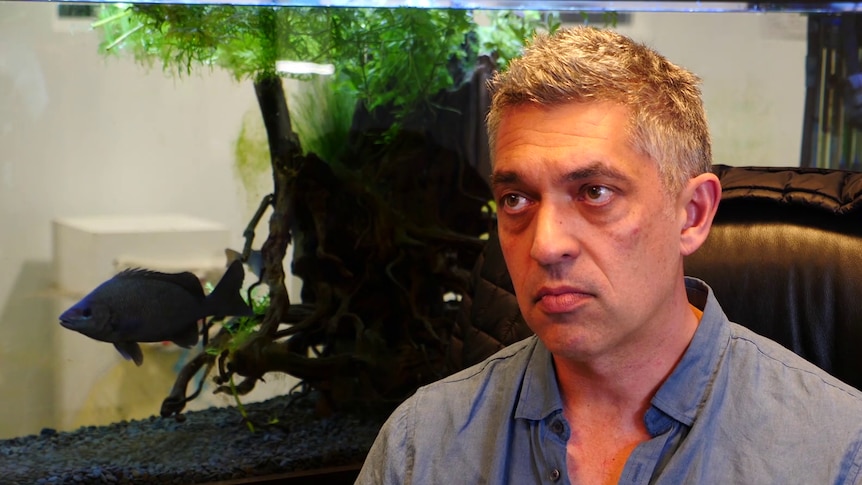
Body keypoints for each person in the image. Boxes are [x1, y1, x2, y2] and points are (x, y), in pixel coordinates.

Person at [355, 26, 862, 484]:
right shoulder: (418, 448)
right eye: (516, 199)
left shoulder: (837, 454)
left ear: (692, 214)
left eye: (595, 192)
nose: (546, 245)